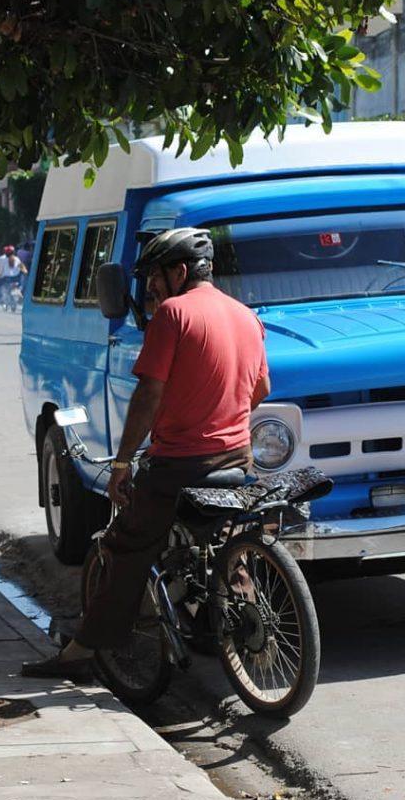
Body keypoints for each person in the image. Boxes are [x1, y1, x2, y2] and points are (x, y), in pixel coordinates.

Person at [22, 227, 270, 678]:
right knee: (224, 543)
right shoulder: (246, 316)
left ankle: (82, 653)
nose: (151, 288)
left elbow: (147, 396)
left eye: (155, 277)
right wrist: (218, 418)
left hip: (178, 466)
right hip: (237, 459)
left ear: (179, 271)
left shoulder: (173, 315)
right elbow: (261, 389)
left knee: (126, 547)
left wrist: (121, 464)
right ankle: (238, 637)